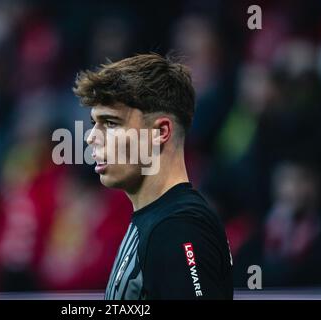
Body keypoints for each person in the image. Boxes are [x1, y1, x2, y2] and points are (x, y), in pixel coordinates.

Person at [73, 53, 233, 299]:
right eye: (94, 122)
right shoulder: (154, 220)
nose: (90, 137)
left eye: (111, 122)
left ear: (161, 131)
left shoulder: (179, 228)